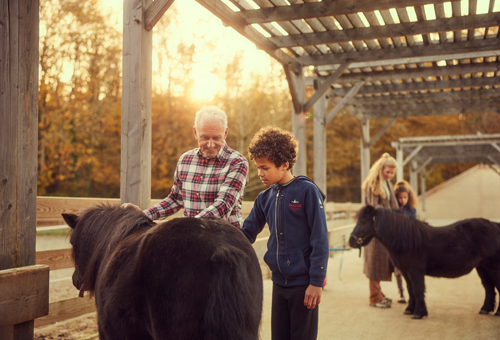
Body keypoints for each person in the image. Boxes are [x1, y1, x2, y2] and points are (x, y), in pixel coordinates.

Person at [240, 126, 329, 340]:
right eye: (258, 167)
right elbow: (247, 233)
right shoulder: (264, 198)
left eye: (265, 168)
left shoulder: (307, 191)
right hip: (279, 283)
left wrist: (316, 282)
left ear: (285, 164)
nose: (260, 173)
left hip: (304, 286)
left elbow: (320, 239)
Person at [122, 106, 248, 228]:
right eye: (204, 137)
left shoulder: (237, 163)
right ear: (195, 132)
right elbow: (175, 200)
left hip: (225, 240)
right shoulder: (185, 160)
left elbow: (222, 206)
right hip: (189, 238)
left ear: (225, 133)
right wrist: (143, 216)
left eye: (216, 138)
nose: (210, 145)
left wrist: (180, 226)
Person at [361, 152, 399, 308]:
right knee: (374, 262)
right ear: (380, 169)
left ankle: (379, 293)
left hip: (385, 229)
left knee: (381, 261)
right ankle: (374, 297)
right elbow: (373, 208)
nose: (390, 175)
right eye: (387, 172)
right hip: (375, 230)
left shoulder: (387, 183)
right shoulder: (373, 184)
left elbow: (393, 205)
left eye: (392, 172)